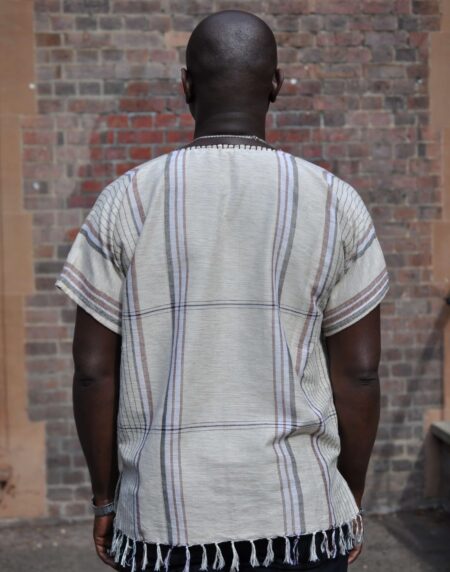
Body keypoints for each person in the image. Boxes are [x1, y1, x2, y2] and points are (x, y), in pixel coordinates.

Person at [55, 9, 389, 572]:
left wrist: (105, 499)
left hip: (164, 523)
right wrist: (348, 496)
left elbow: (92, 371)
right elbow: (359, 373)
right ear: (276, 85)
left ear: (186, 86)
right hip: (301, 519)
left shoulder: (125, 201)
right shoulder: (335, 203)